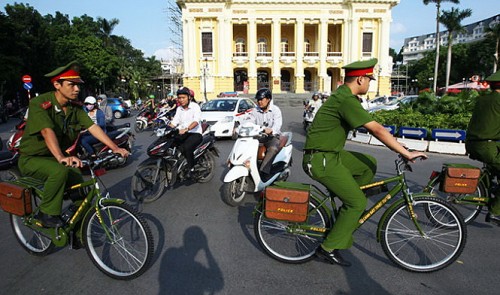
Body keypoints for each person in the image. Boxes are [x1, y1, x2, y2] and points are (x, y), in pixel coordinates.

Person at [302, 58, 426, 267]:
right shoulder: (345, 100)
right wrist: (406, 153)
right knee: (358, 203)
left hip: (330, 155)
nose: (370, 83)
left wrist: (398, 145)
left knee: (367, 162)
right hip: (320, 160)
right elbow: (376, 129)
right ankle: (326, 249)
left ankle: (348, 206)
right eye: (369, 79)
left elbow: (376, 129)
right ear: (360, 79)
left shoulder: (344, 97)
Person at [18, 61, 129, 228]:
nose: (77, 89)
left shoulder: (75, 108)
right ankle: (46, 213)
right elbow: (47, 131)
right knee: (59, 171)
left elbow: (93, 127)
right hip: (32, 158)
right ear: (57, 84)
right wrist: (62, 157)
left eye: (78, 85)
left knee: (78, 178)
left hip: (55, 157)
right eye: (71, 85)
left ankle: (78, 226)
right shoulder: (40, 104)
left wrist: (115, 148)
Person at [465, 70, 500, 226]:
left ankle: (487, 185)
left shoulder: (482, 99)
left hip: (472, 144)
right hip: (488, 147)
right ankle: (495, 211)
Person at [248, 88, 283, 177]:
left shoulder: (275, 110)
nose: (259, 102)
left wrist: (271, 130)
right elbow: (249, 122)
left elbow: (277, 125)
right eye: (258, 100)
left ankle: (264, 172)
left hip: (272, 137)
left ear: (268, 99)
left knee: (272, 149)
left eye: (261, 99)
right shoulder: (254, 111)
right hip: (258, 136)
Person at [168, 87, 202, 178]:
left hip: (195, 133)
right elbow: (174, 121)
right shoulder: (179, 109)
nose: (181, 100)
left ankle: (192, 168)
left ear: (189, 97)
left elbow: (196, 121)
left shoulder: (195, 106)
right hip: (182, 133)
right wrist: (166, 129)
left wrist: (187, 129)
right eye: (179, 98)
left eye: (183, 97)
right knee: (169, 143)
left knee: (186, 147)